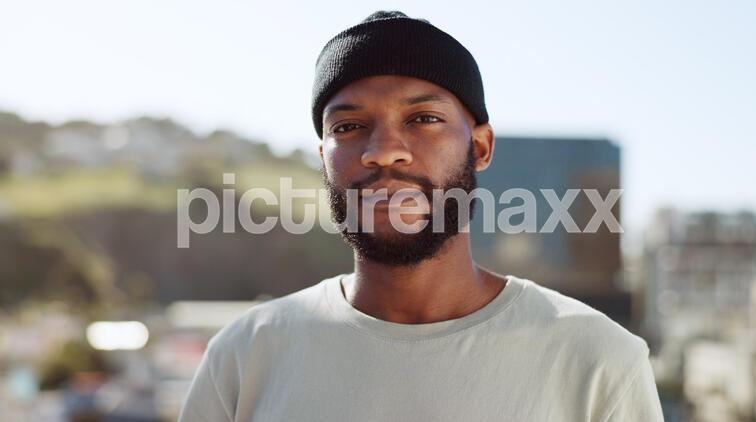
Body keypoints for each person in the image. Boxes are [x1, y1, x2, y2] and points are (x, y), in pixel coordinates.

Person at [179, 10, 664, 421]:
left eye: (423, 119)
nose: (384, 151)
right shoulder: (242, 359)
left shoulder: (599, 360)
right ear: (321, 157)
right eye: (349, 126)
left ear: (479, 146)